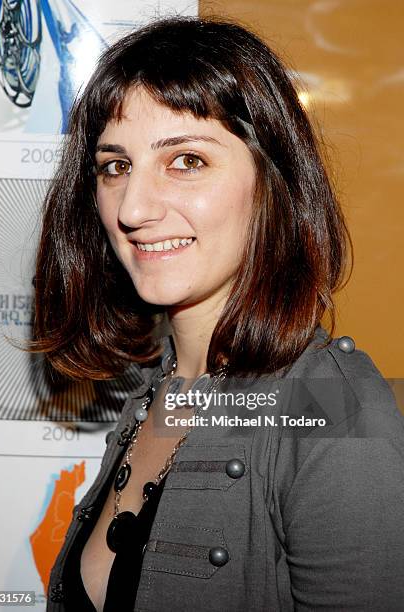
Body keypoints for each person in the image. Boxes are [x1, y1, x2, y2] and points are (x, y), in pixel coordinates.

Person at [33, 15, 404, 612]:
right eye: (116, 166)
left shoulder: (337, 409)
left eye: (185, 160)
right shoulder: (160, 394)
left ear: (271, 184)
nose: (133, 208)